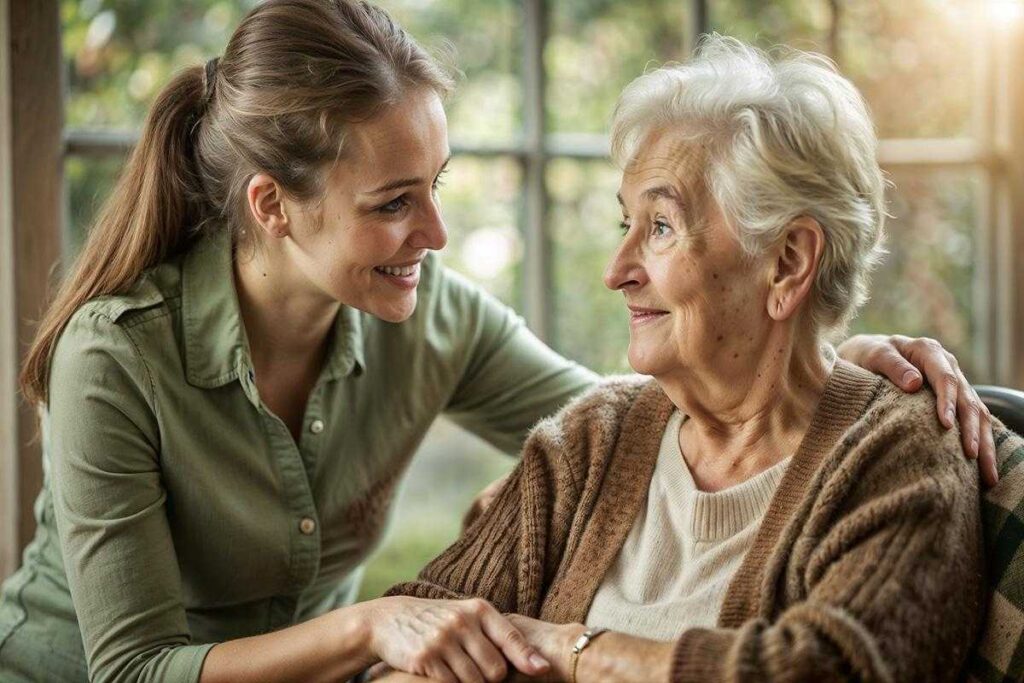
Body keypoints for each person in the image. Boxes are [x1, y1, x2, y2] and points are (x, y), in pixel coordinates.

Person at [0, 2, 994, 682]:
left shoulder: (437, 319)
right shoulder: (116, 354)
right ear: (273, 207)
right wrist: (372, 624)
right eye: (395, 202)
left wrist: (831, 349)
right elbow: (130, 667)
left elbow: (658, 412)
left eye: (436, 184)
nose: (436, 232)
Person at [381, 36, 1020, 683]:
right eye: (623, 224)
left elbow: (830, 669)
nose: (616, 271)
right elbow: (411, 640)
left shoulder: (898, 455)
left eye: (660, 226)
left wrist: (572, 650)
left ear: (789, 262)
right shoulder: (592, 437)